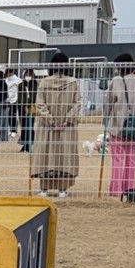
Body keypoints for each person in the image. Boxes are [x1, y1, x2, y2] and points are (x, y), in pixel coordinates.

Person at [32, 53, 81, 197]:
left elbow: (39, 104)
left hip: (47, 127)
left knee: (45, 154)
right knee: (64, 155)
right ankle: (63, 189)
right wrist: (67, 120)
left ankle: (44, 188)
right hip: (67, 127)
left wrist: (50, 120)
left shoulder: (44, 83)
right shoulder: (73, 83)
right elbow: (78, 103)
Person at [104, 53, 135, 199]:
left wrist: (106, 117)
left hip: (117, 124)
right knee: (132, 158)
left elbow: (108, 103)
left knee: (117, 159)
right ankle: (129, 188)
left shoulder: (117, 81)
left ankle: (116, 190)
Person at [17, 68, 38, 152]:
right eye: (27, 75)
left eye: (30, 75)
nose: (28, 77)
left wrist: (29, 105)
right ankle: (24, 143)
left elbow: (34, 96)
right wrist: (24, 105)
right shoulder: (21, 85)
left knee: (30, 125)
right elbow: (20, 96)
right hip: (22, 107)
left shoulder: (35, 85)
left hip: (32, 106)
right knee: (23, 125)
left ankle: (29, 143)